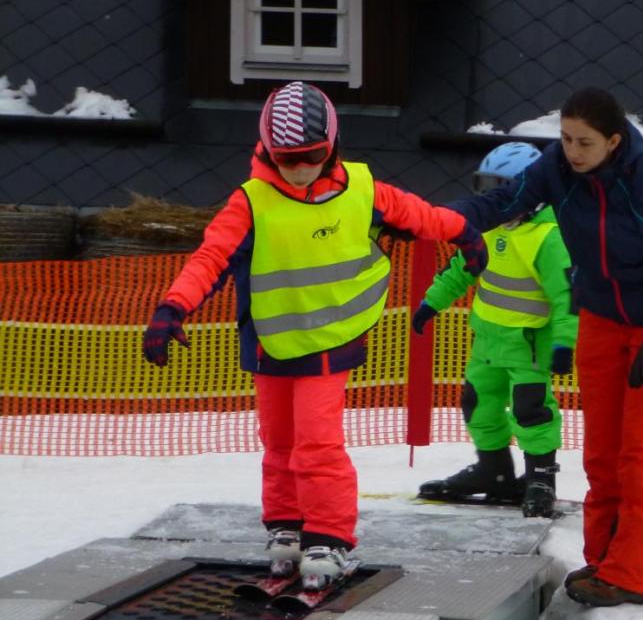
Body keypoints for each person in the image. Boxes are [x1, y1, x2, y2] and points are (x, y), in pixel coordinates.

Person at [141, 81, 486, 590]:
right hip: (270, 340)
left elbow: (419, 215)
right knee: (278, 441)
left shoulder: (363, 191)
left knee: (318, 444)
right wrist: (172, 308)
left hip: (332, 337)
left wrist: (464, 233)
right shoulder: (251, 203)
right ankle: (286, 526)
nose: (300, 167)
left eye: (311, 156)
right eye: (288, 158)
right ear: (266, 150)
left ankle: (329, 536)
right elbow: (210, 258)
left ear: (332, 148)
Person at [447, 87, 643, 607]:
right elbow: (505, 200)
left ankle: (632, 575)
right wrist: (440, 218)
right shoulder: (558, 169)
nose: (572, 150)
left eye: (584, 142)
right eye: (566, 139)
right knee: (603, 450)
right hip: (600, 317)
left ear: (615, 141)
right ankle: (604, 560)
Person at [412, 142, 577, 518]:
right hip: (487, 340)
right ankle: (494, 471)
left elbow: (567, 295)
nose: (492, 199)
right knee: (478, 404)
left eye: (500, 188)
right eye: (486, 187)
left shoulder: (548, 237)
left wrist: (566, 343)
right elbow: (461, 269)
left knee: (531, 410)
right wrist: (431, 303)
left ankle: (540, 480)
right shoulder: (486, 228)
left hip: (529, 345)